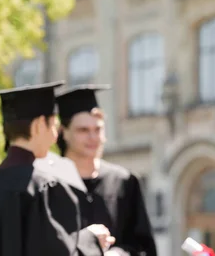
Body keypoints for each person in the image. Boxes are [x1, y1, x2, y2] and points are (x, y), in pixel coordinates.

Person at [0, 81, 112, 256]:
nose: (54, 136)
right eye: (52, 125)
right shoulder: (47, 187)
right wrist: (90, 240)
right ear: (38, 125)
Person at [53, 84, 157, 256]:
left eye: (98, 129)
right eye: (83, 130)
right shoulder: (49, 183)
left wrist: (118, 254)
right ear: (63, 132)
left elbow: (144, 247)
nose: (93, 137)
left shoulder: (124, 181)